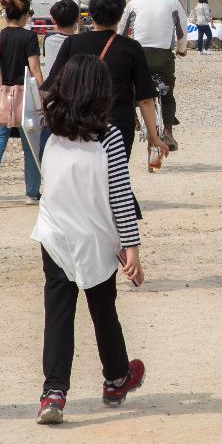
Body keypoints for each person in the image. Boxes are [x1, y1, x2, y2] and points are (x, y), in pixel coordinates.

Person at [31, 54, 146, 425]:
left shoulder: (51, 131)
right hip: (95, 236)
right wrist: (132, 247)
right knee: (103, 308)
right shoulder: (109, 136)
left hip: (54, 234)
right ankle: (116, 379)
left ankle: (53, 394)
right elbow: (119, 195)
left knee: (59, 313)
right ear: (101, 92)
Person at [46, 0, 168, 163]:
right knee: (114, 180)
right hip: (117, 126)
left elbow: (51, 87)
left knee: (82, 178)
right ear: (120, 16)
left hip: (77, 124)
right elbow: (145, 99)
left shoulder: (72, 43)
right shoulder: (131, 48)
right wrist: (153, 136)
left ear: (91, 14)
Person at [0, 0, 44, 208]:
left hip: (1, 98)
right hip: (25, 99)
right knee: (30, 147)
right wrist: (44, 94)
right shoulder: (29, 38)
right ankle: (32, 193)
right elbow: (34, 69)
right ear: (24, 15)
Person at [120, 0, 187, 151]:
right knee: (168, 94)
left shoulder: (132, 0)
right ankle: (167, 131)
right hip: (163, 57)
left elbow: (122, 30)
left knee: (130, 88)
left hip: (137, 55)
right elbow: (182, 29)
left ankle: (133, 117)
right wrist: (181, 49)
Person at [42, 0, 80, 77]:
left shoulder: (48, 39)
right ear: (77, 19)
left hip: (50, 86)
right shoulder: (80, 42)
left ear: (53, 20)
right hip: (71, 87)